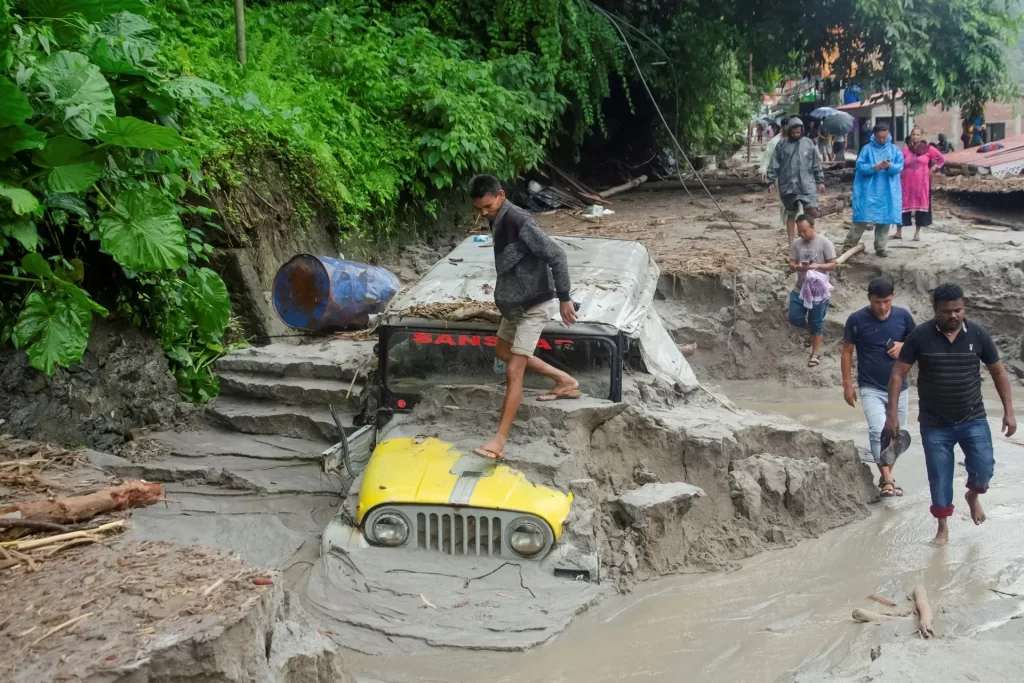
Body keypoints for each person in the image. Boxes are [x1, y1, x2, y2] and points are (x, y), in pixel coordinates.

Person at [886, 283, 1017, 546]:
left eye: (958, 310)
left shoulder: (978, 334)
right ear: (936, 310)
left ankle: (973, 495)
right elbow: (899, 373)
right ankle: (943, 528)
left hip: (973, 417)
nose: (954, 316)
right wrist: (892, 415)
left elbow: (998, 371)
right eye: (947, 312)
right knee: (940, 475)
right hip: (935, 423)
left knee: (983, 468)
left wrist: (1009, 412)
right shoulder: (920, 336)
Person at [467, 175, 580, 461]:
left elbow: (557, 254)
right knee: (503, 351)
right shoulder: (497, 218)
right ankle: (564, 380)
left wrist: (564, 297)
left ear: (501, 196)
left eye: (488, 207)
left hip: (535, 303)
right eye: (479, 208)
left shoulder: (520, 221)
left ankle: (498, 441)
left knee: (513, 371)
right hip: (514, 305)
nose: (484, 213)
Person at [841, 277, 916, 497]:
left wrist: (903, 345)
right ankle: (889, 479)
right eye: (877, 302)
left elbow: (918, 343)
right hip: (870, 386)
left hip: (900, 388)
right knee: (877, 431)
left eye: (886, 301)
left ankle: (886, 479)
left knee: (895, 436)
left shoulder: (903, 317)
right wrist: (847, 385)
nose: (882, 307)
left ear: (893, 297)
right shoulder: (856, 320)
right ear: (868, 299)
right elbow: (846, 352)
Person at [844, 122, 903, 258]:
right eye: (879, 137)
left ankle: (881, 247)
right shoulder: (867, 149)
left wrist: (889, 166)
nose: (882, 139)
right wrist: (873, 167)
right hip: (868, 190)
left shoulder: (894, 150)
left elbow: (900, 167)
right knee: (861, 218)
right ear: (874, 135)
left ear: (888, 134)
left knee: (884, 219)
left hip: (887, 191)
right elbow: (860, 166)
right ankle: (849, 245)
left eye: (884, 137)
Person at [767, 117, 825, 246]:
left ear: (802, 131)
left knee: (810, 210)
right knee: (790, 213)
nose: (796, 135)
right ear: (789, 131)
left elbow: (816, 163)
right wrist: (770, 181)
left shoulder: (809, 143)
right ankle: (791, 242)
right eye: (793, 133)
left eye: (798, 133)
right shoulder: (781, 145)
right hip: (788, 184)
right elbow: (774, 164)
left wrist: (820, 181)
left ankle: (810, 237)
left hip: (807, 183)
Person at [788, 214, 836, 368]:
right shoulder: (796, 244)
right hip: (800, 287)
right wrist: (797, 267)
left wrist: (818, 266)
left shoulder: (824, 243)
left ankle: (815, 353)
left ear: (813, 227)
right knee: (794, 317)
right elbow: (791, 262)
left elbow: (832, 264)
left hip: (818, 291)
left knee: (817, 322)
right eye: (799, 231)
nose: (802, 234)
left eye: (804, 231)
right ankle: (811, 331)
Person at [897, 127, 945, 241]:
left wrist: (933, 168)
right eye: (913, 134)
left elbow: (941, 159)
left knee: (921, 208)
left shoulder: (928, 149)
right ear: (911, 136)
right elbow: (898, 163)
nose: (915, 137)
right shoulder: (905, 150)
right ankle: (898, 232)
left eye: (918, 135)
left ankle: (917, 233)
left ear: (921, 136)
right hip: (906, 183)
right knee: (902, 206)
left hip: (922, 183)